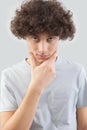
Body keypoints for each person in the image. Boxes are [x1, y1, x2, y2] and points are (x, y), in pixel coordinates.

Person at [0, 0, 87, 130]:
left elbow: (84, 125)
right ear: (25, 36)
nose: (42, 49)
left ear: (60, 37)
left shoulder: (76, 71)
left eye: (50, 39)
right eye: (35, 38)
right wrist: (37, 85)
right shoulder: (10, 76)